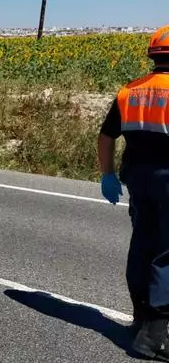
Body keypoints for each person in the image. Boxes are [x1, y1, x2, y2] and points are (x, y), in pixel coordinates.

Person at [98, 24, 169, 360]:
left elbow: (106, 136)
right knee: (166, 253)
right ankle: (154, 336)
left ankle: (140, 317)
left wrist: (107, 175)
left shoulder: (130, 91)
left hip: (138, 178)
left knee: (143, 243)